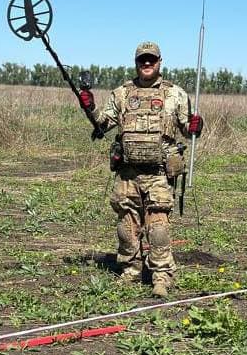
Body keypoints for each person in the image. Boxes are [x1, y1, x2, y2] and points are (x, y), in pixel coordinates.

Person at [79, 41, 203, 297]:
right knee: (126, 227)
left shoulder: (175, 94)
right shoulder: (122, 94)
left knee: (158, 227)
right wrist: (89, 106)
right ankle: (131, 271)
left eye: (152, 60)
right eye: (142, 60)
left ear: (159, 62)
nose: (147, 64)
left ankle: (161, 276)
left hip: (158, 173)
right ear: (136, 63)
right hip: (128, 172)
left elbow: (187, 128)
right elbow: (102, 125)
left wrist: (196, 126)